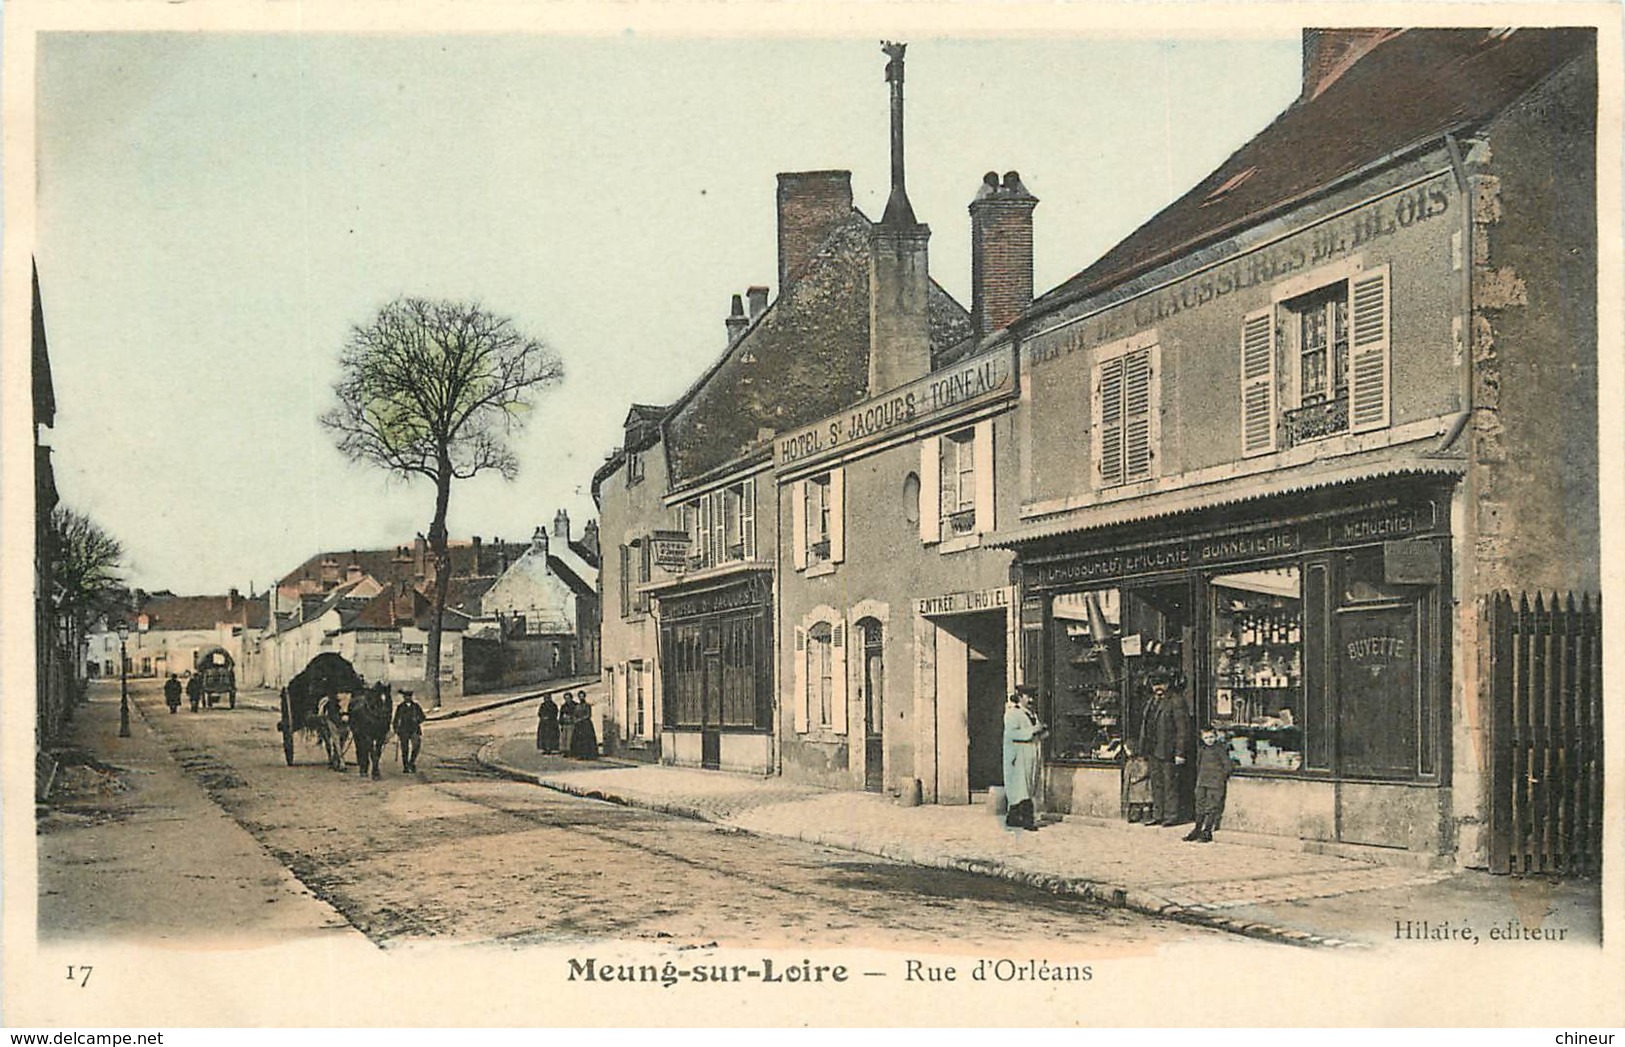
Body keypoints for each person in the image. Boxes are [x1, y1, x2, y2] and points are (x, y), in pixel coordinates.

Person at [1136, 670, 1192, 827]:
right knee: (1156, 784)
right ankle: (1158, 814)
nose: (1158, 688)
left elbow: (1183, 729)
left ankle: (1171, 815)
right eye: (1155, 685)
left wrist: (1180, 752)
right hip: (1153, 749)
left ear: (1168, 685)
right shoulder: (1151, 702)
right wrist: (1142, 749)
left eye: (1161, 684)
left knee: (1170, 784)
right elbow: (1145, 726)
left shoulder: (1176, 701)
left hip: (1169, 750)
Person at [1002, 689, 1046, 831]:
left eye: (1033, 696)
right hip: (1019, 754)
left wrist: (1041, 732)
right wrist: (1033, 730)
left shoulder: (1031, 713)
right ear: (1020, 697)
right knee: (1022, 786)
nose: (1031, 700)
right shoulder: (1013, 713)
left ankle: (1013, 817)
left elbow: (1034, 732)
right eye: (1028, 696)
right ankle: (1028, 820)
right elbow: (1012, 733)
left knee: (1028, 785)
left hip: (1031, 752)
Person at [1185, 725, 1234, 843]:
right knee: (1200, 805)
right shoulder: (1202, 750)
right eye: (1206, 738)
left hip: (1215, 783)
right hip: (1202, 781)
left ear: (1216, 736)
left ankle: (1207, 831)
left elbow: (1227, 765)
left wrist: (1221, 777)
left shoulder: (1220, 749)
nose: (1209, 740)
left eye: (1212, 737)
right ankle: (1197, 829)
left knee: (1212, 806)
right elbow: (1198, 764)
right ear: (1202, 738)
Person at [393, 688, 426, 773]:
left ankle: (411, 762)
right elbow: (396, 719)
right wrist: (396, 728)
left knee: (416, 746)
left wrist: (418, 720)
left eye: (409, 696)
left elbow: (423, 717)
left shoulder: (416, 706)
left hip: (414, 729)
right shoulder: (400, 707)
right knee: (405, 749)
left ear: (411, 697)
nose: (408, 698)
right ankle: (406, 766)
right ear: (404, 697)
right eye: (406, 696)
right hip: (403, 730)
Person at [1120, 738, 1152, 823]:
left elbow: (1145, 770)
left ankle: (1146, 816)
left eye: (1127, 750)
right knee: (1136, 802)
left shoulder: (1140, 761)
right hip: (1134, 786)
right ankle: (1135, 816)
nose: (1126, 752)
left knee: (1143, 801)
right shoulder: (1130, 761)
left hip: (1141, 785)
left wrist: (1137, 777)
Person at [570, 691, 599, 759]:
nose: (581, 698)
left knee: (587, 740)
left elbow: (588, 715)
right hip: (579, 725)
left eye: (582, 696)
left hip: (586, 724)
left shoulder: (587, 705)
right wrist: (575, 719)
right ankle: (580, 754)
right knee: (579, 740)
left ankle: (589, 754)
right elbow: (575, 714)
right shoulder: (577, 706)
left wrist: (580, 719)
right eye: (580, 696)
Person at [558, 692, 578, 757]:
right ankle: (565, 751)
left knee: (570, 737)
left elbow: (576, 714)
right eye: (566, 698)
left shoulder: (575, 705)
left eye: (568, 698)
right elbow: (561, 715)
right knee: (564, 738)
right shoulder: (563, 706)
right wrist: (561, 723)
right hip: (565, 723)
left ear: (571, 698)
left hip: (571, 723)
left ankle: (571, 751)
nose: (567, 700)